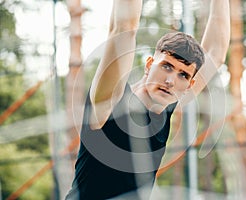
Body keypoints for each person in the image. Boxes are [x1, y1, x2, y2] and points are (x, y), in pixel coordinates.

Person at [65, 0, 230, 199]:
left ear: (189, 85)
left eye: (183, 75)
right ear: (149, 64)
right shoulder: (111, 101)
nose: (170, 81)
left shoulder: (168, 104)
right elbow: (124, 28)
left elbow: (216, 53)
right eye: (167, 66)